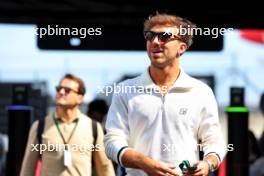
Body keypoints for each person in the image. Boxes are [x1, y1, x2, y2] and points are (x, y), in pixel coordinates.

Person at [104, 13, 226, 176]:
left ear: (181, 48)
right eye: (150, 36)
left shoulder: (201, 92)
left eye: (165, 36)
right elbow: (112, 141)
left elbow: (214, 141)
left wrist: (207, 164)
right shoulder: (125, 89)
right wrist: (143, 163)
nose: (155, 42)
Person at [20, 73, 115, 176]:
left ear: (80, 98)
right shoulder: (39, 126)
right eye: (59, 88)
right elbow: (28, 168)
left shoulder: (93, 127)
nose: (61, 92)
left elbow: (105, 168)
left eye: (67, 90)